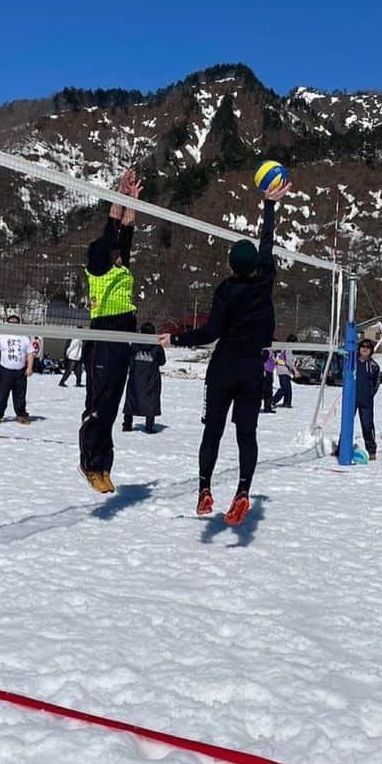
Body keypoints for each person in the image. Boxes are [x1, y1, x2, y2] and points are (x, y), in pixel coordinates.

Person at [159, 180, 290, 524]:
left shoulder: (225, 290)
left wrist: (174, 340)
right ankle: (243, 490)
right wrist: (269, 205)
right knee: (246, 434)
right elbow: (267, 241)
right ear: (255, 266)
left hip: (223, 368)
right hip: (251, 369)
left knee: (212, 432)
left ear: (231, 265)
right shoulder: (265, 280)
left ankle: (205, 490)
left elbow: (209, 333)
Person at [79, 169, 142, 492]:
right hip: (103, 334)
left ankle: (104, 466)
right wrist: (118, 193)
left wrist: (132, 201)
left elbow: (126, 230)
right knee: (98, 407)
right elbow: (112, 228)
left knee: (113, 407)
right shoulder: (99, 267)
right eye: (113, 249)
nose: (118, 250)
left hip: (122, 336)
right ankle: (90, 463)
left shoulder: (121, 265)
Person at [0, 315, 35, 425]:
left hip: (20, 371)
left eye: (15, 322)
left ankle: (21, 415)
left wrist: (29, 368)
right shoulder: (2, 336)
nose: (13, 324)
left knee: (20, 395)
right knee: (2, 394)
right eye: (11, 322)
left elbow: (30, 353)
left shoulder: (24, 337)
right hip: (5, 370)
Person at [122, 322, 165, 433]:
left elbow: (127, 358)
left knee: (131, 399)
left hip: (135, 377)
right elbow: (162, 361)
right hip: (151, 378)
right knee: (151, 400)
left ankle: (127, 424)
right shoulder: (157, 345)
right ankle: (149, 426)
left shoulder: (135, 344)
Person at [354, 338, 381, 460]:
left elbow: (376, 383)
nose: (365, 349)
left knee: (367, 425)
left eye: (368, 347)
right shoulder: (352, 362)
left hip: (366, 400)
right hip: (352, 399)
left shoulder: (374, 366)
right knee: (347, 424)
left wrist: (369, 394)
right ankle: (341, 448)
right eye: (362, 347)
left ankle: (371, 450)